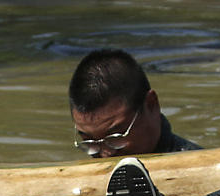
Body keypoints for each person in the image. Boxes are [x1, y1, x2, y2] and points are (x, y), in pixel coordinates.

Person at [67, 48, 203, 158]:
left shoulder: (208, 175)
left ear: (151, 105)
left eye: (115, 138)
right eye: (90, 142)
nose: (106, 155)